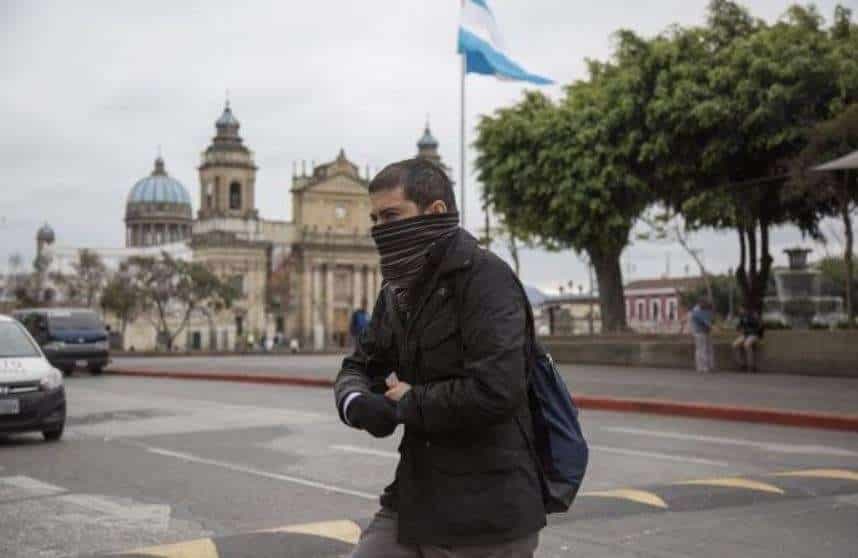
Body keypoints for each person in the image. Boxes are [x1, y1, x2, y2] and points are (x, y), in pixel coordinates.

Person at [334, 158, 545, 557]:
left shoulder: (487, 279)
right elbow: (359, 364)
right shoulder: (397, 292)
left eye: (391, 216)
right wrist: (355, 400)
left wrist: (410, 402)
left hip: (487, 512)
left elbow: (497, 388)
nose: (380, 230)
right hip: (414, 499)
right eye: (375, 219)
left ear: (435, 213)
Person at [733, 305, 763, 371]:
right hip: (745, 335)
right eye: (739, 310)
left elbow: (758, 327)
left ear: (745, 309)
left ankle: (751, 365)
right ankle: (742, 364)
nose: (739, 311)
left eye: (741, 309)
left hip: (754, 335)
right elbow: (738, 326)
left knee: (746, 345)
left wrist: (748, 330)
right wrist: (739, 328)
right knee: (735, 345)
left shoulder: (752, 316)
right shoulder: (742, 317)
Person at [690, 298, 714, 372]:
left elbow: (710, 319)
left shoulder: (706, 310)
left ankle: (710, 366)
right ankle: (702, 367)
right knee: (701, 349)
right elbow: (704, 321)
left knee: (708, 349)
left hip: (706, 332)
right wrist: (711, 325)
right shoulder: (696, 311)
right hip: (699, 332)